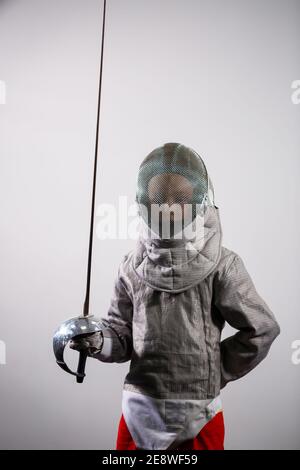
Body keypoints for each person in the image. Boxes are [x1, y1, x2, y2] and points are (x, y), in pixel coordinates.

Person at [70, 142, 280, 450]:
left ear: (199, 201)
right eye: (159, 197)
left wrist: (213, 371)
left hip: (200, 413)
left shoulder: (223, 266)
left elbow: (262, 329)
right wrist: (96, 339)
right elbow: (122, 338)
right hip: (140, 410)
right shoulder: (130, 267)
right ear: (145, 202)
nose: (168, 206)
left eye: (179, 198)